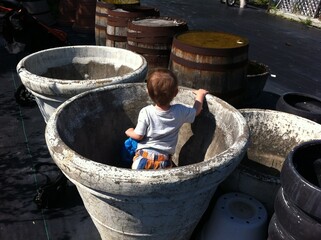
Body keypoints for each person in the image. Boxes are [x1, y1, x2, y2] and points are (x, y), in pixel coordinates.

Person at [125, 68, 208, 170]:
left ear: (147, 92)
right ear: (176, 92)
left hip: (143, 159)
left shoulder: (146, 112)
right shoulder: (179, 111)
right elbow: (197, 110)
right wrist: (200, 94)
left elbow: (138, 136)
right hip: (164, 162)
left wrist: (129, 131)